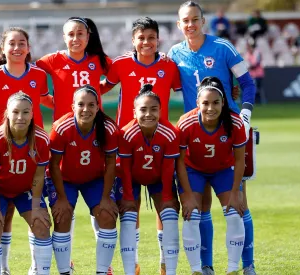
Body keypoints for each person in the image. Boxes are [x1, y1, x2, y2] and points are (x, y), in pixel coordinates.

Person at [0, 17, 111, 274]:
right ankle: (6, 266)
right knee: (12, 212)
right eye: (70, 34)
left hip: (43, 142)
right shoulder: (47, 63)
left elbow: (118, 73)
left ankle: (55, 265)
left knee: (50, 205)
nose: (75, 39)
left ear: (88, 36)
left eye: (80, 34)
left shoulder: (97, 61)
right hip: (27, 142)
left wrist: (82, 107)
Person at [168, 2, 256, 274]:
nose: (191, 24)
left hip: (228, 134)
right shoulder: (174, 54)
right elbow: (163, 83)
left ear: (203, 21)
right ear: (179, 24)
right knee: (200, 205)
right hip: (193, 134)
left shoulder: (222, 47)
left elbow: (248, 84)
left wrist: (245, 116)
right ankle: (206, 267)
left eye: (195, 19)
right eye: (186, 20)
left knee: (238, 202)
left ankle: (247, 265)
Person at [100, 16, 182, 275]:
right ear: (133, 40)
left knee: (166, 204)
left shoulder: (169, 66)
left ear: (158, 40)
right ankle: (131, 263)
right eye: (141, 38)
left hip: (162, 143)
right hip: (126, 143)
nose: (146, 42)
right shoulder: (121, 63)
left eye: (151, 37)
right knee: (128, 206)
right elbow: (100, 88)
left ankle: (164, 262)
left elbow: (188, 89)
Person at [116, 83, 198, 275]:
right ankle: (132, 268)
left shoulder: (170, 134)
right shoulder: (126, 134)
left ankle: (167, 268)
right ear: (134, 111)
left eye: (154, 109)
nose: (148, 114)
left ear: (161, 110)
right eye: (143, 110)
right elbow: (125, 168)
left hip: (159, 179)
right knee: (128, 217)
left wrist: (169, 197)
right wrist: (128, 196)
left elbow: (169, 169)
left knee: (169, 216)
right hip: (131, 179)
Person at [176, 76, 247, 275]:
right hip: (193, 170)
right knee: (191, 216)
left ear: (223, 103)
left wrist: (236, 192)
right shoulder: (186, 122)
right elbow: (179, 161)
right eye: (205, 103)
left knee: (234, 215)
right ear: (197, 103)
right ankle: (197, 270)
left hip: (223, 171)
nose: (210, 108)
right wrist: (188, 195)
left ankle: (233, 269)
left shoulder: (234, 122)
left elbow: (240, 160)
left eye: (216, 102)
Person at [48, 85, 118, 275]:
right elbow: (53, 165)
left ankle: (102, 271)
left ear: (97, 107)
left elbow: (111, 163)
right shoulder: (61, 127)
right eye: (81, 104)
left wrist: (105, 198)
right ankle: (65, 271)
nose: (86, 109)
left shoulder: (109, 128)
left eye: (91, 105)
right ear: (73, 107)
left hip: (94, 180)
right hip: (66, 179)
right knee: (62, 217)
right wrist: (61, 199)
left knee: (107, 215)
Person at [0, 92, 52, 275]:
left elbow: (39, 175)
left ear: (32, 114)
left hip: (25, 189)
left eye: (26, 112)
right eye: (16, 112)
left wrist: (36, 206)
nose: (21, 117)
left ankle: (41, 271)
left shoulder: (41, 139)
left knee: (42, 224)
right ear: (7, 114)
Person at [244, 39, 265, 104]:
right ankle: (254, 101)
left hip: (258, 74)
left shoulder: (257, 53)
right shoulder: (247, 54)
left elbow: (255, 63)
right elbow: (245, 63)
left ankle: (260, 101)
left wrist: (249, 65)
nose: (249, 48)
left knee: (258, 88)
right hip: (251, 75)